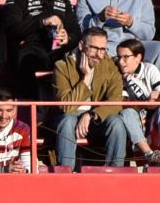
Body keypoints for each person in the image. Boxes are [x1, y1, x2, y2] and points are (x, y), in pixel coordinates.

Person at [3, 0, 77, 94]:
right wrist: (42, 22)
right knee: (29, 60)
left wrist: (68, 38)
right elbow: (11, 28)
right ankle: (31, 110)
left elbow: (77, 33)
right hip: (30, 51)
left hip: (58, 53)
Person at [54, 29, 130, 167]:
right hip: (70, 118)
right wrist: (86, 78)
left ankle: (115, 175)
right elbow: (66, 107)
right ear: (82, 45)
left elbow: (116, 102)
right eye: (94, 48)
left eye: (103, 49)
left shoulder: (111, 66)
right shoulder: (62, 66)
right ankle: (65, 176)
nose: (99, 55)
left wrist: (91, 115)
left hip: (96, 120)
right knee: (67, 121)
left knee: (117, 122)